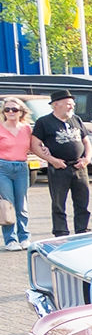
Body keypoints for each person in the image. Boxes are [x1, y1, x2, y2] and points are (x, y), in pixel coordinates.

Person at [30, 89, 92, 236]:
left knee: (82, 201)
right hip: (58, 168)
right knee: (58, 203)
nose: (72, 107)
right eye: (68, 104)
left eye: (72, 104)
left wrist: (87, 158)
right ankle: (61, 231)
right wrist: (52, 160)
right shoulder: (44, 122)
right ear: (56, 105)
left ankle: (82, 229)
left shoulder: (76, 119)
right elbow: (35, 145)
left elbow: (86, 141)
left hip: (79, 167)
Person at [0, 95, 33, 248]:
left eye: (14, 109)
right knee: (8, 203)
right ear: (3, 112)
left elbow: (33, 146)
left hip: (21, 167)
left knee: (22, 204)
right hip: (3, 167)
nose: (11, 112)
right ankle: (10, 239)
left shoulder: (27, 129)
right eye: (7, 109)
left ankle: (24, 237)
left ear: (21, 112)